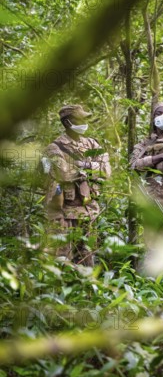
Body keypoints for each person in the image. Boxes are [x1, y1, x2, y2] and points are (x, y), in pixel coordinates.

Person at [42, 104, 111, 266]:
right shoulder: (54, 148)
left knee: (87, 260)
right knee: (62, 260)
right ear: (67, 122)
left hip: (89, 213)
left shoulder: (92, 144)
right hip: (65, 215)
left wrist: (82, 166)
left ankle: (87, 290)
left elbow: (106, 171)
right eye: (80, 119)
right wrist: (90, 166)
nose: (84, 122)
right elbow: (63, 173)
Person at [130, 101, 163, 210]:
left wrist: (153, 165)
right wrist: (160, 157)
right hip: (149, 197)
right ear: (153, 118)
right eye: (158, 113)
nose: (162, 116)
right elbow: (133, 165)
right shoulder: (145, 143)